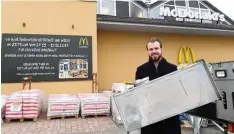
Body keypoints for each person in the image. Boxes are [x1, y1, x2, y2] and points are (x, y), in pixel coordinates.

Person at [135, 38, 181, 134]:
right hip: (149, 121)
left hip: (170, 121)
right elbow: (138, 95)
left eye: (156, 48)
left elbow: (178, 93)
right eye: (151, 49)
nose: (154, 51)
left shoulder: (172, 68)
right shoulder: (141, 70)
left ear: (161, 49)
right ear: (147, 51)